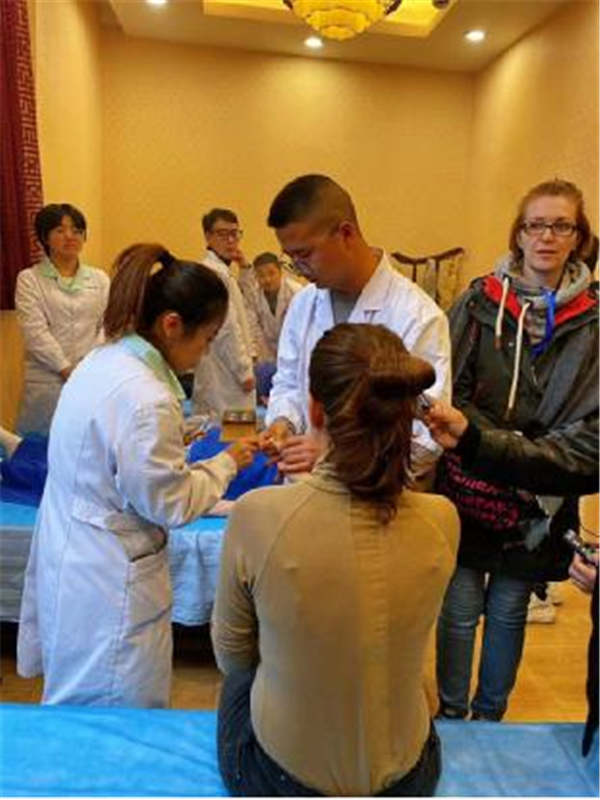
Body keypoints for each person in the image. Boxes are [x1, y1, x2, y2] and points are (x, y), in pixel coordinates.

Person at [212, 323, 459, 796]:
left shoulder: (256, 516)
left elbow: (232, 656)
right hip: (408, 779)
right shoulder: (442, 519)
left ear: (314, 410)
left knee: (239, 681)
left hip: (281, 779)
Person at [17, 244, 257, 708]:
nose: (206, 352)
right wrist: (228, 463)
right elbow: (170, 503)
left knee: (77, 703)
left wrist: (181, 442)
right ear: (172, 325)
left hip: (75, 556)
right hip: (108, 579)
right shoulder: (146, 397)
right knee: (113, 711)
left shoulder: (102, 361)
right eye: (207, 339)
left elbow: (120, 456)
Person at [425, 179, 598, 721]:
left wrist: (529, 455)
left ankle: (490, 719)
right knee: (459, 606)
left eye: (561, 225)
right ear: (518, 234)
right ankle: (452, 716)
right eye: (535, 225)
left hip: (541, 493)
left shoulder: (593, 318)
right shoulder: (478, 303)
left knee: (509, 608)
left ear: (579, 238)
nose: (547, 236)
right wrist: (496, 446)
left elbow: (590, 422)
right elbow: (449, 388)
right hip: (470, 479)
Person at [260, 174, 451, 479]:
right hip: (304, 487)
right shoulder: (304, 304)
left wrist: (333, 457)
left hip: (372, 494)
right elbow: (289, 382)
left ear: (346, 234)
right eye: (290, 258)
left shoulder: (417, 315)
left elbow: (427, 436)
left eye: (304, 254)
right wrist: (283, 424)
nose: (298, 268)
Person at [15, 203, 109, 435]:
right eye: (60, 230)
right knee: (43, 447)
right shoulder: (29, 279)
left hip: (90, 375)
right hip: (47, 381)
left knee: (86, 442)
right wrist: (65, 368)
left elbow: (108, 324)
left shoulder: (100, 279)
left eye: (77, 230)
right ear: (44, 237)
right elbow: (35, 332)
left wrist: (88, 365)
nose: (70, 236)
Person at [192, 208, 256, 417]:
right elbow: (227, 328)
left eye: (235, 234)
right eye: (222, 234)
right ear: (208, 237)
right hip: (226, 372)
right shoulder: (214, 274)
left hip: (225, 369)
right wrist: (243, 371)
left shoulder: (224, 273)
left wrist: (245, 268)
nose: (230, 241)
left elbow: (248, 306)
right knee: (231, 430)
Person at [246, 251, 302, 402]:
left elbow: (300, 331)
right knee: (266, 383)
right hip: (267, 352)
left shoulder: (296, 292)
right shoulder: (253, 295)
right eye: (261, 275)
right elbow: (253, 328)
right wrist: (258, 357)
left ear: (280, 272)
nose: (267, 279)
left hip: (295, 351)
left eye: (271, 273)